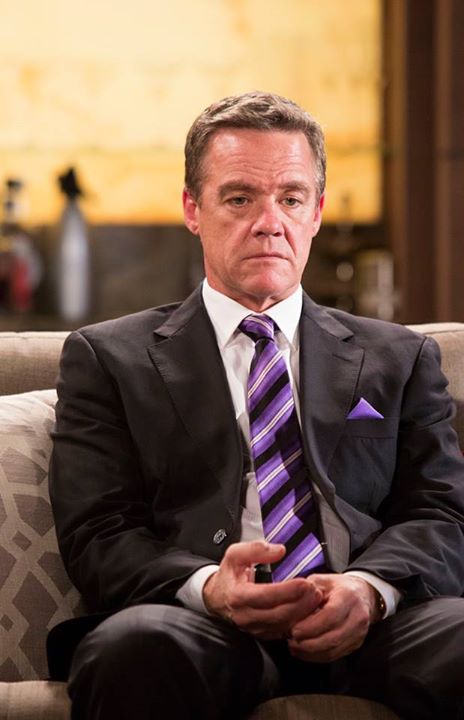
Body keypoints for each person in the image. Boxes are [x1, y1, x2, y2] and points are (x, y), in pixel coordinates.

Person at [47, 91, 464, 720]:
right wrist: (210, 587)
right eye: (240, 198)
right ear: (193, 209)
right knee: (132, 646)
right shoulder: (109, 358)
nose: (270, 222)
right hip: (202, 624)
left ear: (317, 212)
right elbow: (98, 532)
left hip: (376, 621)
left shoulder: (400, 358)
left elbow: (442, 513)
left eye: (291, 199)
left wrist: (369, 589)